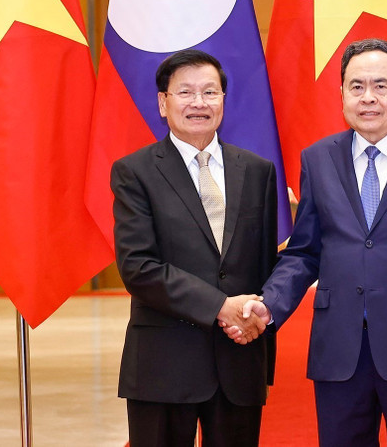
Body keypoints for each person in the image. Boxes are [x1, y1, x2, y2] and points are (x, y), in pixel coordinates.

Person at [226, 38, 387, 447]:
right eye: (356, 86)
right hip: (339, 352)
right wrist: (268, 304)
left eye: (381, 85)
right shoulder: (318, 158)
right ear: (341, 94)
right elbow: (305, 251)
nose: (368, 98)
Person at [111, 49, 277, 447]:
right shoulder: (134, 172)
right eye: (185, 92)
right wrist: (220, 306)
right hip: (164, 363)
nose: (199, 103)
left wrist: (257, 320)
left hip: (239, 359)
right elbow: (139, 267)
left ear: (223, 100)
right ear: (163, 103)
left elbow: (265, 266)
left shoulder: (258, 171)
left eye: (210, 92)